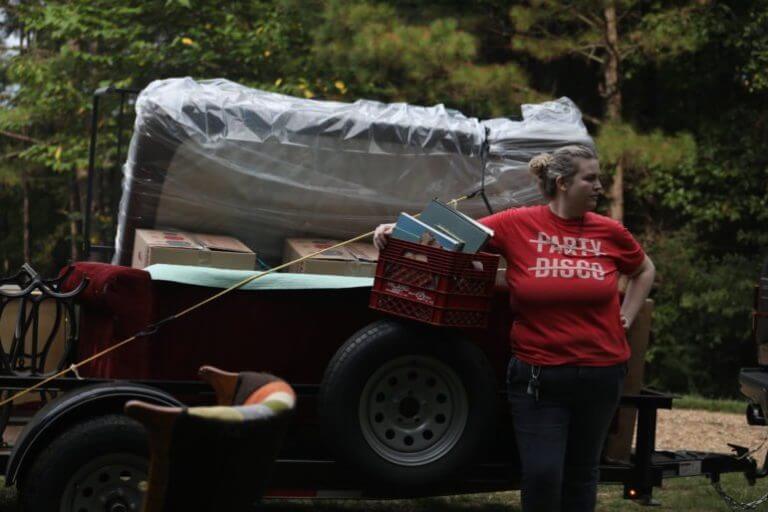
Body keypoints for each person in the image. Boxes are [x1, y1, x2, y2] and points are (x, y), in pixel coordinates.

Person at [373, 145, 655, 512]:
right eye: (591, 178)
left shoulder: (610, 231)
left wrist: (627, 317)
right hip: (539, 378)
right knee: (542, 474)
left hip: (601, 375)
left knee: (582, 473)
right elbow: (450, 235)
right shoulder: (516, 223)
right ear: (563, 183)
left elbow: (643, 270)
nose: (600, 186)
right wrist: (397, 229)